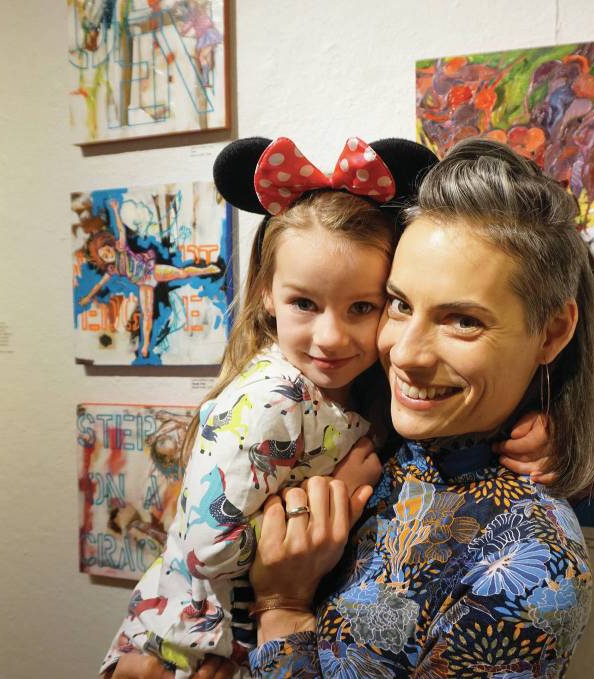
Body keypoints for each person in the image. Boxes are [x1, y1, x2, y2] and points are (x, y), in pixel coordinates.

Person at [102, 137, 559, 679]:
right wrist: (329, 509)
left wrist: (548, 422)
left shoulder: (370, 391)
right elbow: (204, 548)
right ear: (266, 293)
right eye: (402, 305)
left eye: (365, 306)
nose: (332, 337)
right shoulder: (274, 401)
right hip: (191, 646)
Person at [244, 136, 594, 677]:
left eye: (463, 320)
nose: (404, 353)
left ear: (552, 332)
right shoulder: (354, 419)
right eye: (398, 304)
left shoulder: (532, 566)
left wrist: (282, 609)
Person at [79, 198, 222, 359]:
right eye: (104, 256)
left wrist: (115, 210)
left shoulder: (121, 248)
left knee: (182, 273)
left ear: (110, 246)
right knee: (147, 315)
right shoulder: (112, 269)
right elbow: (99, 284)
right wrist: (88, 297)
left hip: (151, 270)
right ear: (104, 261)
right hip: (143, 284)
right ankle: (145, 345)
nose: (108, 254)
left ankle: (206, 269)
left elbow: (120, 230)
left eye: (106, 250)